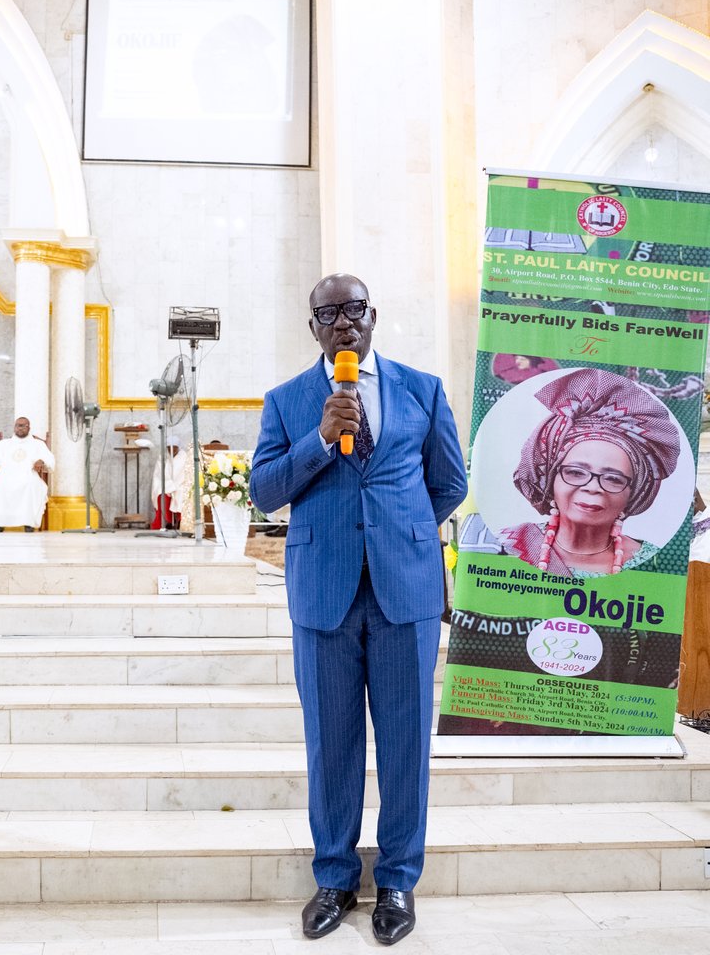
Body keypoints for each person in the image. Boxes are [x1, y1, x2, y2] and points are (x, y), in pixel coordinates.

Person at [250, 273, 467, 946]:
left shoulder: (422, 389)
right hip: (324, 593)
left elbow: (450, 481)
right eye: (329, 314)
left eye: (355, 310)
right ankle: (336, 877)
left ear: (374, 316)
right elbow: (262, 490)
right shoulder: (287, 401)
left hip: (404, 590)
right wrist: (318, 441)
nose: (344, 324)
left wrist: (398, 533)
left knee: (405, 745)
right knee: (331, 743)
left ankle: (398, 878)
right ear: (313, 327)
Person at [501, 367, 680, 577]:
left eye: (613, 478)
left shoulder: (656, 563)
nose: (593, 488)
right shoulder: (507, 547)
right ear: (550, 479)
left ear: (636, 492)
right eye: (576, 472)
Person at [0, 417, 54, 532]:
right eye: (17, 425)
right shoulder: (4, 444)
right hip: (4, 475)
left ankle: (29, 523)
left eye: (22, 425)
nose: (19, 428)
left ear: (28, 427)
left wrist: (41, 461)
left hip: (28, 475)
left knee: (30, 485)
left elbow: (49, 460)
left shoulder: (38, 444)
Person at [150, 444, 186, 529]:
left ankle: (179, 521)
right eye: (169, 448)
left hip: (180, 483)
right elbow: (159, 473)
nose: (172, 450)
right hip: (166, 483)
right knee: (161, 493)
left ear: (178, 447)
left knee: (181, 493)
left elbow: (184, 473)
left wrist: (175, 485)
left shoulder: (184, 456)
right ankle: (167, 521)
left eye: (174, 447)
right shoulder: (162, 457)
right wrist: (170, 484)